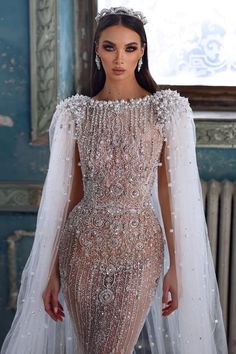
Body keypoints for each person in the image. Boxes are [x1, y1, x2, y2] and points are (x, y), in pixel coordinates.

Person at [1, 6, 228, 354]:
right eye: (110, 47)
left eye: (130, 48)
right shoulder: (76, 112)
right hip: (82, 248)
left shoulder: (165, 109)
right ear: (96, 50)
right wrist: (50, 270)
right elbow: (70, 194)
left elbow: (169, 194)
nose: (119, 58)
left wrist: (176, 268)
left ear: (142, 51)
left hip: (140, 250)